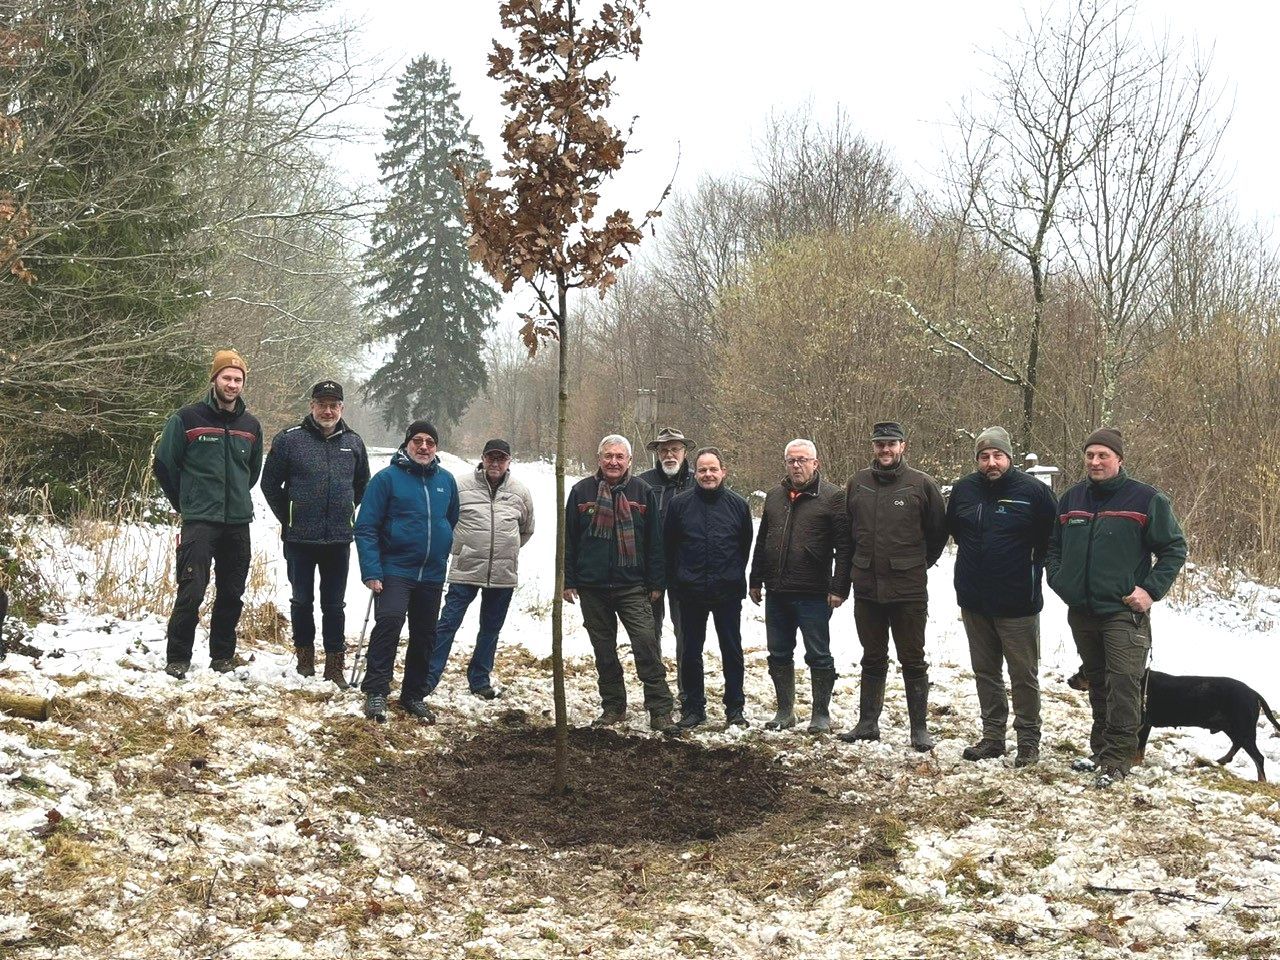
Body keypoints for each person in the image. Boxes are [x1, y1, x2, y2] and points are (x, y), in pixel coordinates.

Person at [1046, 427, 1186, 787]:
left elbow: (1173, 549)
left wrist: (1150, 591)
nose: (1095, 461)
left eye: (1103, 455)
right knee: (1098, 683)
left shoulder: (1146, 499)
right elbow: (1053, 546)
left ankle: (1119, 759)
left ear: (1119, 459)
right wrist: (1060, 579)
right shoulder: (1071, 498)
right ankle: (1100, 751)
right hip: (1081, 611)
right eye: (1090, 455)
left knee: (1124, 683)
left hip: (1124, 610)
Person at [945, 426, 1057, 767]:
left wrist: (1035, 571)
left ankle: (1028, 741)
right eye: (984, 456)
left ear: (1009, 456)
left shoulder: (1035, 493)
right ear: (977, 459)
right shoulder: (963, 491)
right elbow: (955, 533)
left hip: (1017, 602)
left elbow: (1051, 541)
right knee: (986, 672)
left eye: (997, 455)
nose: (991, 462)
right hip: (974, 599)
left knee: (1023, 675)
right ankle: (993, 738)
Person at [152, 350, 264, 679]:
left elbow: (251, 472)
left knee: (232, 592)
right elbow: (164, 465)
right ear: (214, 379)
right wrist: (186, 502)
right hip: (200, 520)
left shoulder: (251, 425)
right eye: (226, 378)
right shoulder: (187, 418)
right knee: (192, 589)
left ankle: (222, 655)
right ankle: (178, 657)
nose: (232, 384)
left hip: (238, 522)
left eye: (238, 379)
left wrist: (235, 497)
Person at [838, 421, 947, 751]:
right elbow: (847, 533)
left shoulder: (921, 485)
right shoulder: (857, 484)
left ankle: (919, 729)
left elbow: (938, 534)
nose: (885, 449)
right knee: (872, 657)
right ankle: (867, 723)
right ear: (873, 447)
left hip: (908, 590)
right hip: (867, 588)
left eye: (891, 444)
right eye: (880, 444)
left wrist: (914, 564)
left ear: (903, 446)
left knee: (913, 658)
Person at [564, 434, 677, 733]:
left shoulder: (643, 492)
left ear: (629, 461)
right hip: (593, 587)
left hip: (633, 586)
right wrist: (569, 580)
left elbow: (654, 541)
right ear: (599, 459)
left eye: (619, 457)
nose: (613, 462)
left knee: (645, 643)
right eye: (608, 456)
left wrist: (656, 583)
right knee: (604, 650)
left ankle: (660, 709)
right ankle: (613, 706)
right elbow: (569, 541)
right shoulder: (580, 492)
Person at [261, 379, 370, 687]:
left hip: (338, 540)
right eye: (322, 404)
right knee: (301, 601)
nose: (327, 410)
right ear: (311, 406)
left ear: (342, 408)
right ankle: (305, 660)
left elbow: (362, 485)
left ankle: (334, 666)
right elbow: (269, 484)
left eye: (334, 405)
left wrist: (346, 510)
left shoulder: (354, 443)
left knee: (334, 605)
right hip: (300, 540)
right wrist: (290, 515)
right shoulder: (289, 440)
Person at [353, 420, 459, 723]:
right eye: (417, 441)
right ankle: (376, 690)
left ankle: (414, 694)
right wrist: (371, 569)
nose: (424, 446)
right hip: (394, 569)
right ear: (407, 444)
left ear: (436, 447)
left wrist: (440, 548)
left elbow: (449, 519)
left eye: (430, 441)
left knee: (425, 634)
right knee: (389, 622)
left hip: (432, 572)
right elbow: (366, 527)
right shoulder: (386, 479)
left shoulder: (446, 481)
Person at [748, 439, 850, 734]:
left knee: (818, 653)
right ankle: (784, 711)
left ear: (815, 463)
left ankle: (820, 714)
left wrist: (839, 586)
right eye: (791, 460)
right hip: (777, 591)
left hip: (814, 593)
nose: (797, 465)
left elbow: (845, 547)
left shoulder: (833, 497)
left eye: (803, 460)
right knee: (778, 652)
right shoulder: (774, 496)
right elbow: (763, 539)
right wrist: (755, 578)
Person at [424, 439, 534, 700]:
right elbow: (445, 522)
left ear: (509, 462)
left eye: (501, 458)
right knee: (448, 623)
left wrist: (505, 551)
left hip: (502, 575)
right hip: (466, 570)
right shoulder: (460, 486)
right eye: (490, 458)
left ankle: (480, 679)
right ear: (482, 459)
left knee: (491, 628)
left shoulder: (521, 492)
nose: (495, 463)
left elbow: (526, 529)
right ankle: (428, 677)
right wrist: (460, 548)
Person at [663, 447, 753, 730]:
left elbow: (744, 546)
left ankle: (735, 709)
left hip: (727, 591)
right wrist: (677, 581)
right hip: (689, 591)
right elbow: (669, 546)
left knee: (732, 650)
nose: (708, 474)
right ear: (695, 473)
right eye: (702, 470)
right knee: (690, 651)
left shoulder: (739, 505)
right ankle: (693, 708)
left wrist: (732, 575)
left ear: (723, 472)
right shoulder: (679, 505)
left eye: (713, 469)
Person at [638, 427, 695, 707]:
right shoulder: (642, 484)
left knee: (687, 634)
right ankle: (657, 693)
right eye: (664, 450)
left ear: (685, 453)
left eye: (675, 449)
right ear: (656, 454)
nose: (669, 455)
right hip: (651, 573)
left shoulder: (700, 483)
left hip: (688, 574)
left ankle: (688, 692)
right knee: (650, 634)